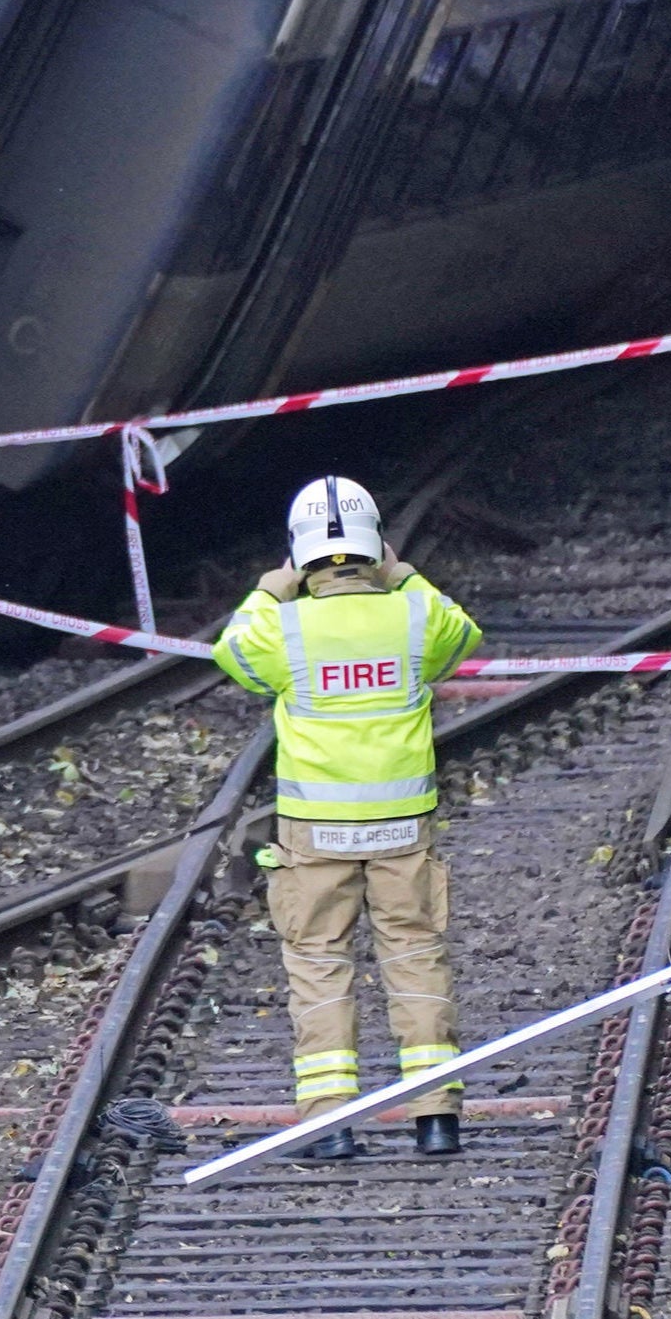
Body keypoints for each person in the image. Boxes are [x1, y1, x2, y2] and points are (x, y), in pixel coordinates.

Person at [213, 475, 483, 1159]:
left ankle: (329, 1123)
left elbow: (232, 649)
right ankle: (436, 1118)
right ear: (377, 546)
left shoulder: (285, 626)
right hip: (402, 828)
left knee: (318, 963)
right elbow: (462, 630)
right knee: (416, 956)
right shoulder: (414, 616)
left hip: (316, 834)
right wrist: (405, 571)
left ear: (300, 556)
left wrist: (270, 588)